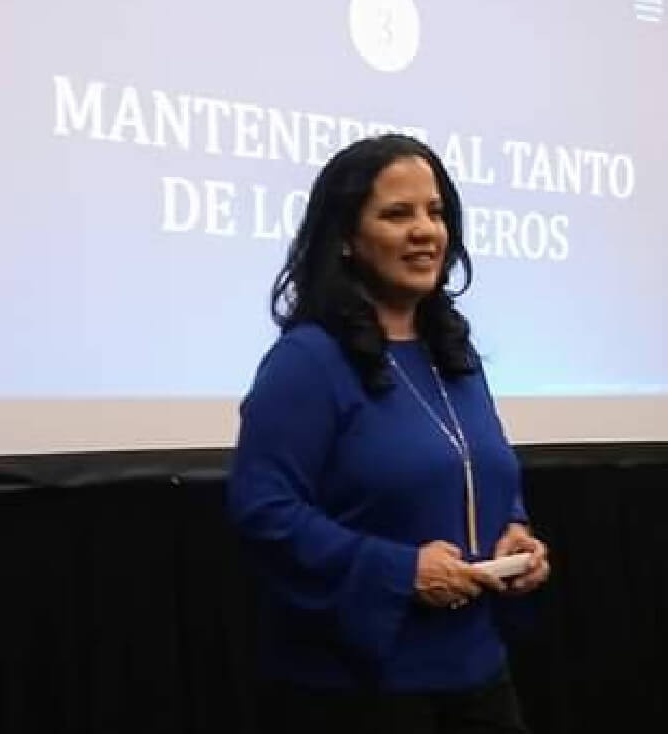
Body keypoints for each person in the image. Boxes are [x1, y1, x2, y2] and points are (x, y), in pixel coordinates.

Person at [227, 133, 550, 734]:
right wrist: (400, 572)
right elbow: (263, 510)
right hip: (360, 690)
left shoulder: (454, 354)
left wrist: (516, 533)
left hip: (478, 670)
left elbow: (483, 472)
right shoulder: (307, 361)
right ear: (346, 239)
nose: (425, 230)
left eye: (435, 212)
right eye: (397, 214)